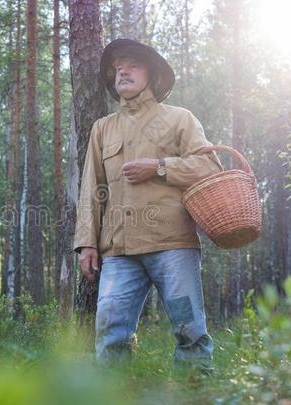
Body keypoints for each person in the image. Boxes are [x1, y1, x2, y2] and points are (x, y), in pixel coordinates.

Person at [73, 38, 223, 371]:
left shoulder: (179, 119)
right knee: (110, 335)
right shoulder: (102, 128)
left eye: (131, 65)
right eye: (116, 67)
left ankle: (194, 392)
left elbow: (210, 168)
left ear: (152, 75)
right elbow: (91, 188)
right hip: (118, 252)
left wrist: (159, 167)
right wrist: (86, 244)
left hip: (173, 246)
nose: (121, 71)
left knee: (190, 331)